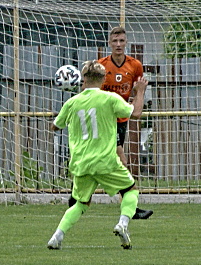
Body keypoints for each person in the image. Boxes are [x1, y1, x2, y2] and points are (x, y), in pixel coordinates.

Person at [48, 61, 148, 250]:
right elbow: (135, 113)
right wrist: (140, 91)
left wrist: (58, 119)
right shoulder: (110, 99)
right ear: (103, 80)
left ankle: (57, 236)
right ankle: (122, 224)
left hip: (81, 163)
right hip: (105, 161)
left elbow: (55, 126)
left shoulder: (72, 103)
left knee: (81, 203)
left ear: (83, 79)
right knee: (131, 190)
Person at [97, 26, 153, 220]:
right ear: (109, 43)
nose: (118, 44)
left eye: (121, 41)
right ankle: (130, 207)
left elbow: (137, 92)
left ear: (126, 42)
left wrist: (137, 97)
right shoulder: (101, 66)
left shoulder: (135, 65)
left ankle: (77, 197)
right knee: (121, 161)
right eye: (115, 41)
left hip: (121, 120)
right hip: (104, 120)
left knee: (109, 161)